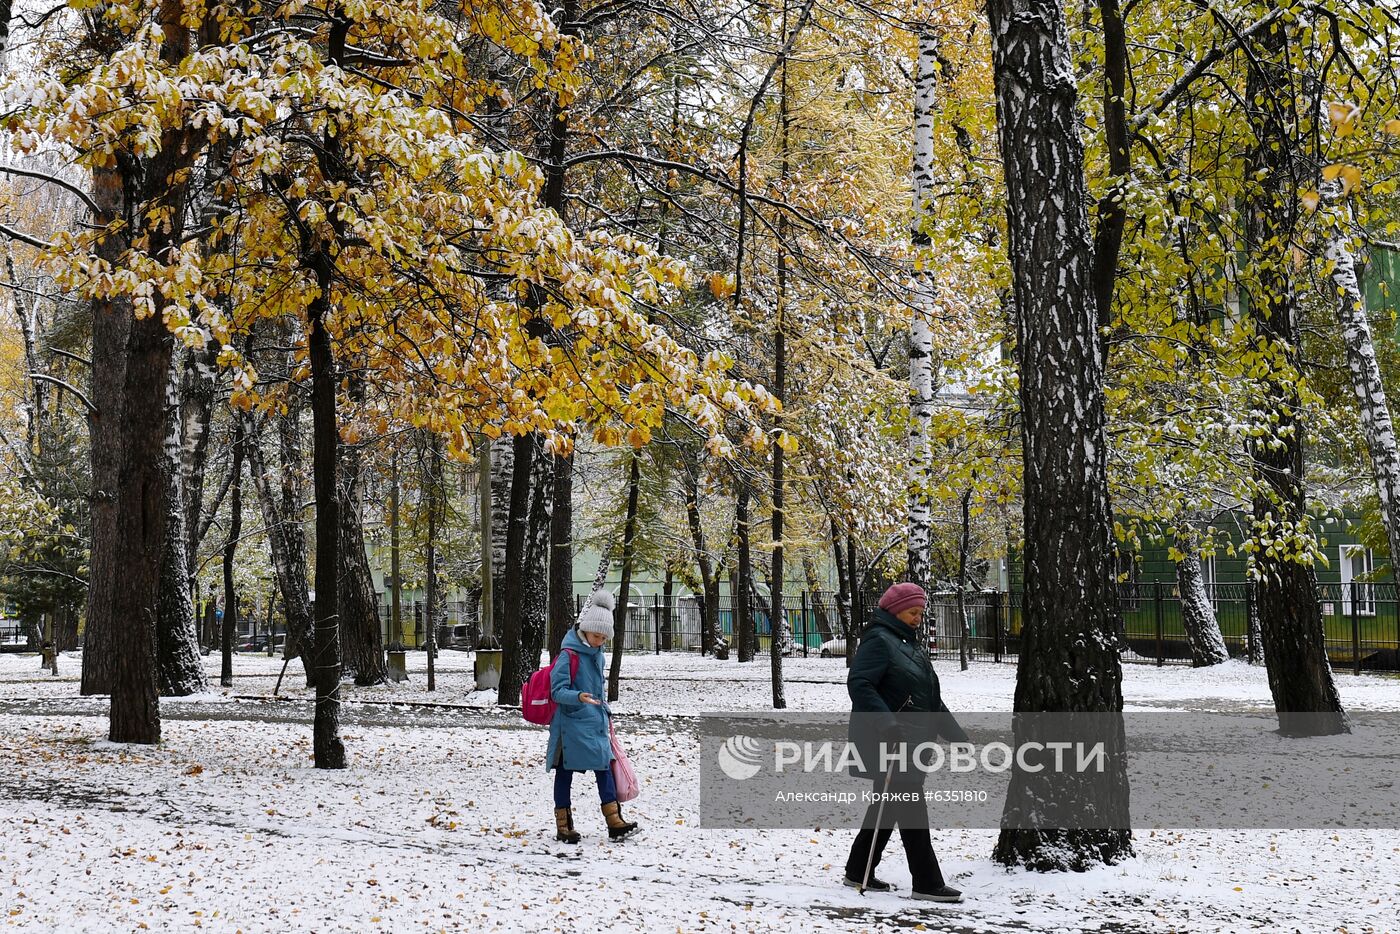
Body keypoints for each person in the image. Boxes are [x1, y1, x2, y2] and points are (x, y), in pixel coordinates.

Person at [844, 582, 967, 903]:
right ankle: (927, 882)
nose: (918, 618)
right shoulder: (878, 641)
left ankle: (858, 871)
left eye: (920, 613)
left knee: (886, 807)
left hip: (912, 741)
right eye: (913, 612)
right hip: (890, 741)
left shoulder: (909, 646)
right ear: (895, 610)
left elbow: (930, 699)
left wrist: (956, 734)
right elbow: (859, 683)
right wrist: (886, 723)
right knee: (911, 809)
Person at [546, 589, 639, 843]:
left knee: (604, 769)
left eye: (603, 638)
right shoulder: (568, 655)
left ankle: (615, 822)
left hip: (595, 722)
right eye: (596, 635)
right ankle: (563, 826)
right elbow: (557, 692)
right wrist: (578, 697)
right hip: (571, 725)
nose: (599, 641)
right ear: (585, 630)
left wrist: (603, 709)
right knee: (564, 773)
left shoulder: (597, 654)